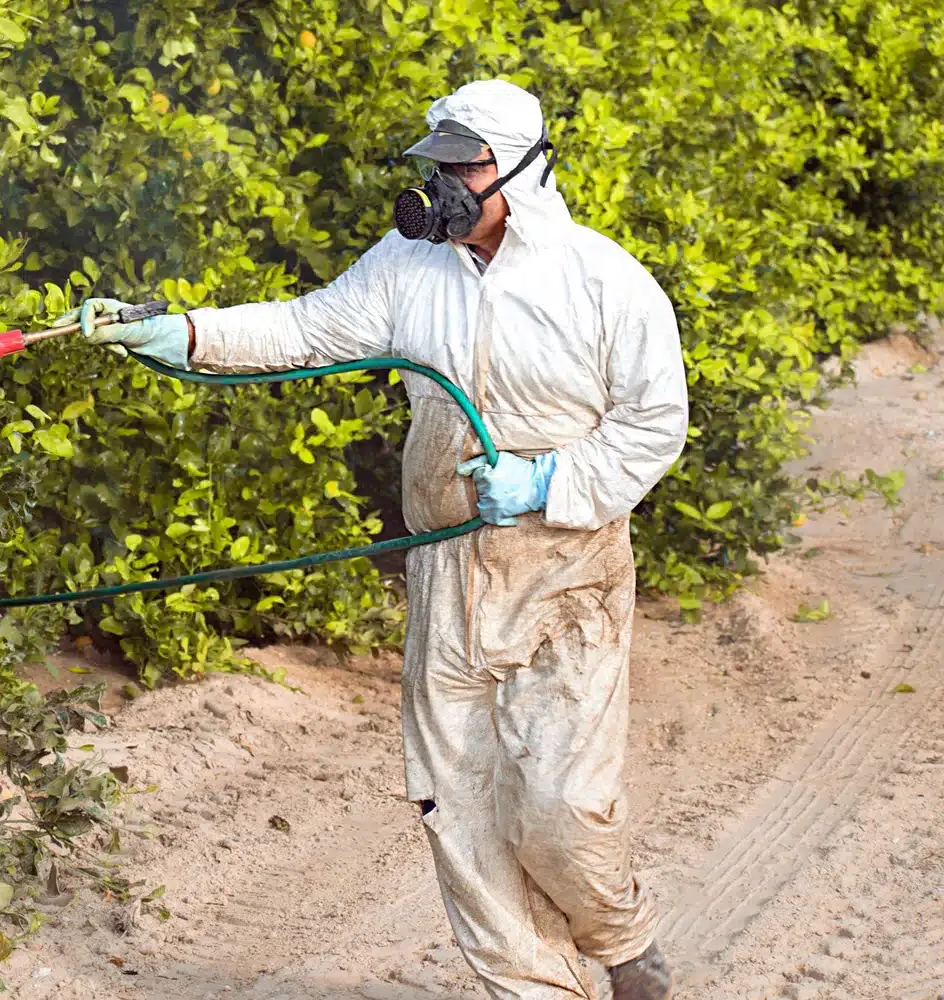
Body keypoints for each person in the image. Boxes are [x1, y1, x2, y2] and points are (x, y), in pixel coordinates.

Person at [58, 79, 687, 1000]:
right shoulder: (407, 264)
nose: (443, 187)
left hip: (567, 573)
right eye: (435, 167)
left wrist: (547, 482)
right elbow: (306, 328)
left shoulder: (604, 283)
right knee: (458, 803)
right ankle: (535, 991)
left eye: (463, 167)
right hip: (445, 570)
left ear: (524, 166)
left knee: (559, 807)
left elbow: (654, 425)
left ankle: (623, 945)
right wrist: (183, 333)